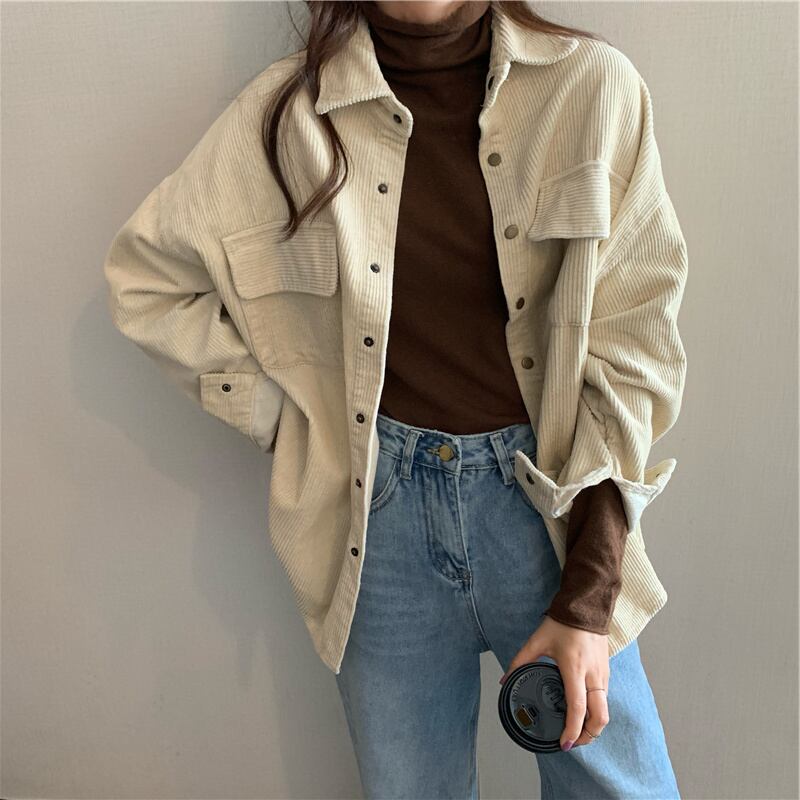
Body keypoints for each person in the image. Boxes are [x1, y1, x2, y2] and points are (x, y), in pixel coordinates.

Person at [103, 2, 687, 797]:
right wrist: (291, 423)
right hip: (378, 525)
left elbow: (635, 353)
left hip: (553, 508)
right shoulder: (287, 117)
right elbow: (146, 280)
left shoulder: (591, 88)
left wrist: (588, 594)